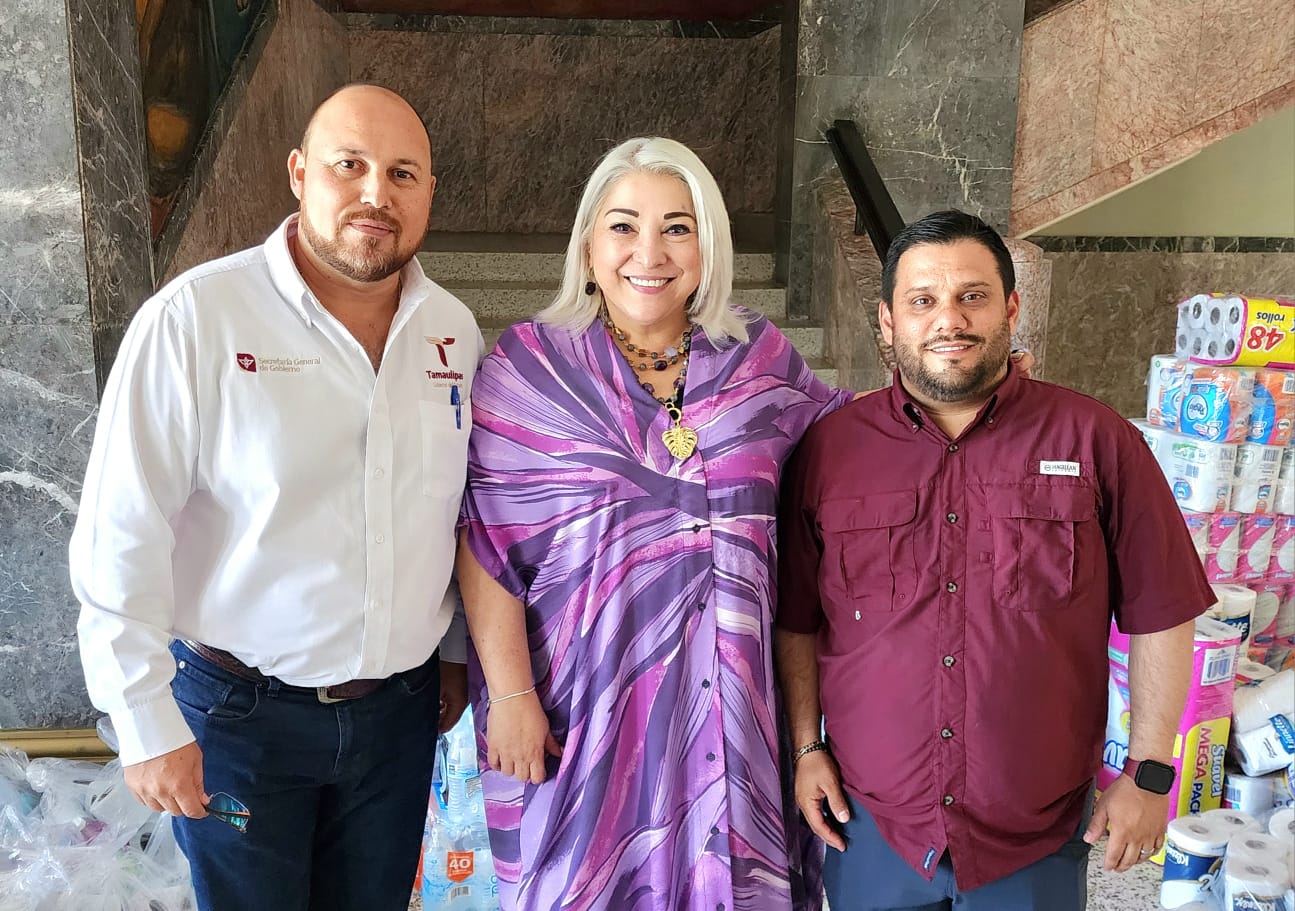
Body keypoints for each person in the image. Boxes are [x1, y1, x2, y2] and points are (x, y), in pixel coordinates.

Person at [69, 84, 482, 911]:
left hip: (396, 718)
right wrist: (144, 720)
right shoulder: (197, 318)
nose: (376, 193)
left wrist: (451, 652)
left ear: (429, 193)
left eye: (402, 173)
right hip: (239, 719)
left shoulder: (452, 331)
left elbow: (453, 512)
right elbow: (123, 528)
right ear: (298, 173)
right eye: (349, 165)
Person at [455, 137, 852, 911]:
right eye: (623, 226)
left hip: (734, 713)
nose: (650, 252)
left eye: (677, 227)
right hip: (586, 709)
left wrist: (958, 391)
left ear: (708, 246)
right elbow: (486, 541)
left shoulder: (758, 357)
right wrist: (509, 694)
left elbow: (851, 441)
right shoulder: (528, 367)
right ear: (588, 245)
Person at [774, 209, 1213, 911]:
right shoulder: (830, 451)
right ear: (887, 320)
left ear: (1010, 308)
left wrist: (1149, 773)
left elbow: (1163, 609)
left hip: (1035, 832)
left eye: (971, 296)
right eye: (922, 299)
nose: (948, 319)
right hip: (874, 824)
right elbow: (796, 618)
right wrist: (805, 748)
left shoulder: (1096, 439)